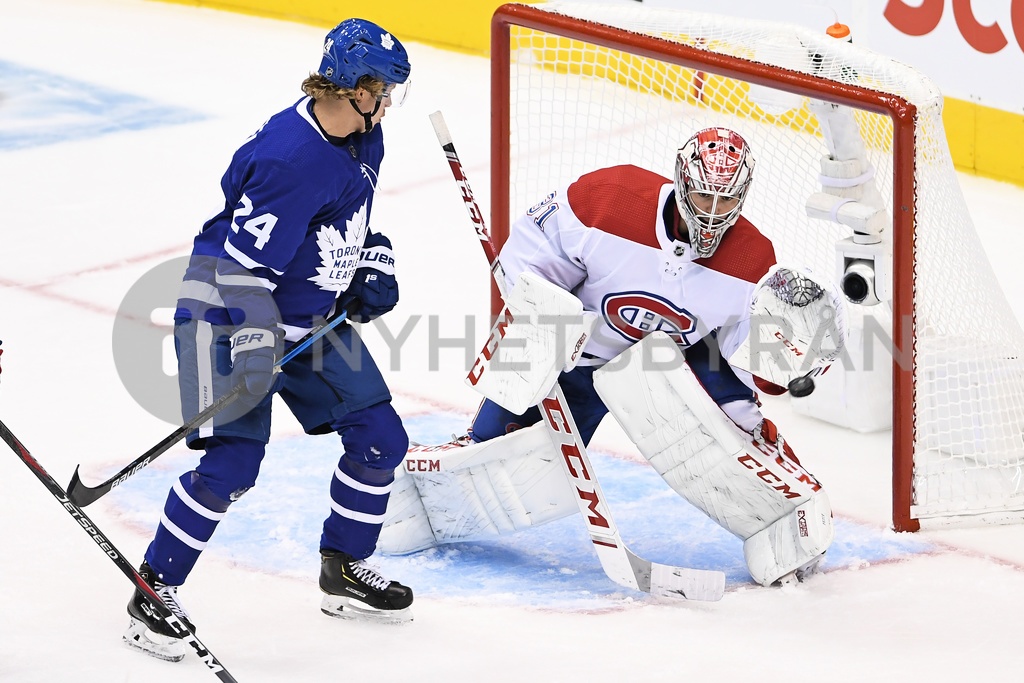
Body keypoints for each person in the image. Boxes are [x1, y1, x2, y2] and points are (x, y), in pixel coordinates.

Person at [379, 127, 844, 587]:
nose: (713, 213)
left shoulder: (753, 260)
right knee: (507, 455)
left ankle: (787, 514)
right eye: (704, 198)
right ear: (682, 181)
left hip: (675, 365)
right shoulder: (609, 199)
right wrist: (546, 319)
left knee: (738, 422)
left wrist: (786, 358)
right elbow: (527, 262)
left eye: (726, 202)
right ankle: (432, 486)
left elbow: (745, 362)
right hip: (579, 352)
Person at [125, 18, 415, 662]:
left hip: (307, 319)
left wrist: (373, 260)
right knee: (232, 465)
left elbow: (354, 215)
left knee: (380, 439)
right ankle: (154, 592)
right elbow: (239, 272)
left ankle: (345, 568)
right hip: (225, 314)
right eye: (384, 90)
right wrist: (255, 351)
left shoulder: (364, 136)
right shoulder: (291, 159)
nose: (390, 101)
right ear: (355, 88)